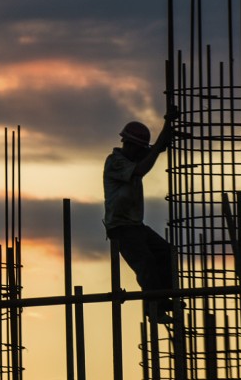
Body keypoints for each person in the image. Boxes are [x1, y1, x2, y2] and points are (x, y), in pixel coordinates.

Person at [103, 104, 180, 323]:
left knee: (166, 253)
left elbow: (156, 149)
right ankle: (153, 308)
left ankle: (165, 299)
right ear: (128, 144)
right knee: (146, 262)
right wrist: (163, 133)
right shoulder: (115, 162)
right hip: (121, 228)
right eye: (138, 149)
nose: (139, 153)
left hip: (136, 226)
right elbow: (143, 167)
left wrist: (168, 129)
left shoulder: (133, 157)